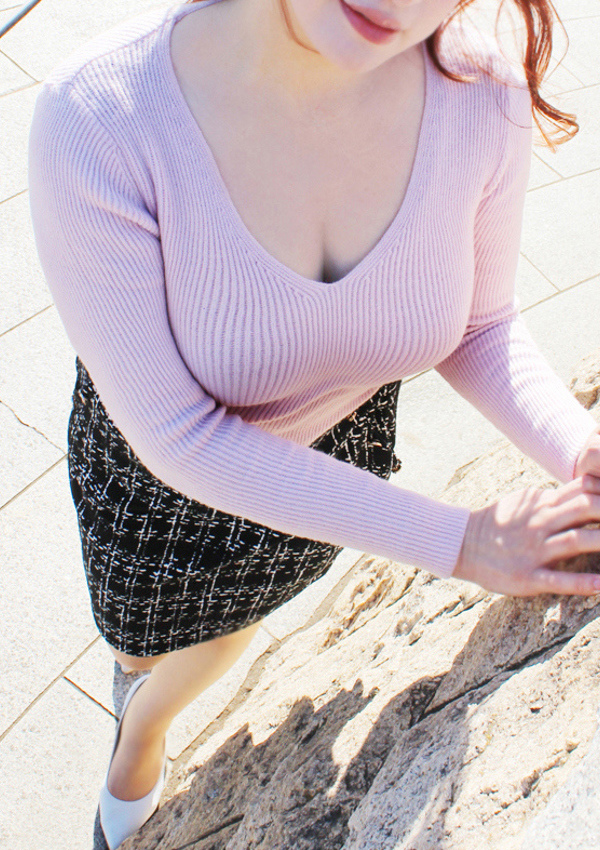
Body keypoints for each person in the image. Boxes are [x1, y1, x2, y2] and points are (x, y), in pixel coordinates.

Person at [28, 0, 600, 846]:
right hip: (161, 487)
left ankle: (146, 708)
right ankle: (138, 724)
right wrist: (463, 542)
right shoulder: (100, 118)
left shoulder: (480, 84)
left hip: (332, 460)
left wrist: (580, 449)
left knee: (236, 627)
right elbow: (177, 432)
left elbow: (478, 326)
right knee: (152, 645)